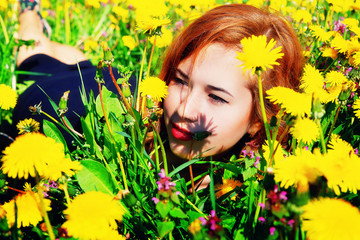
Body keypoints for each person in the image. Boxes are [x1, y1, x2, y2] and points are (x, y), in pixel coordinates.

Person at [158, 4, 303, 185]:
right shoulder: (119, 126)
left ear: (259, 120)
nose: (185, 110)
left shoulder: (250, 207)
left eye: (216, 98)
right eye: (181, 81)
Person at [0, 0, 134, 150]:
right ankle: (41, 31)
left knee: (33, 48)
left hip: (49, 94)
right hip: (98, 78)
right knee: (68, 59)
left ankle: (29, 12)